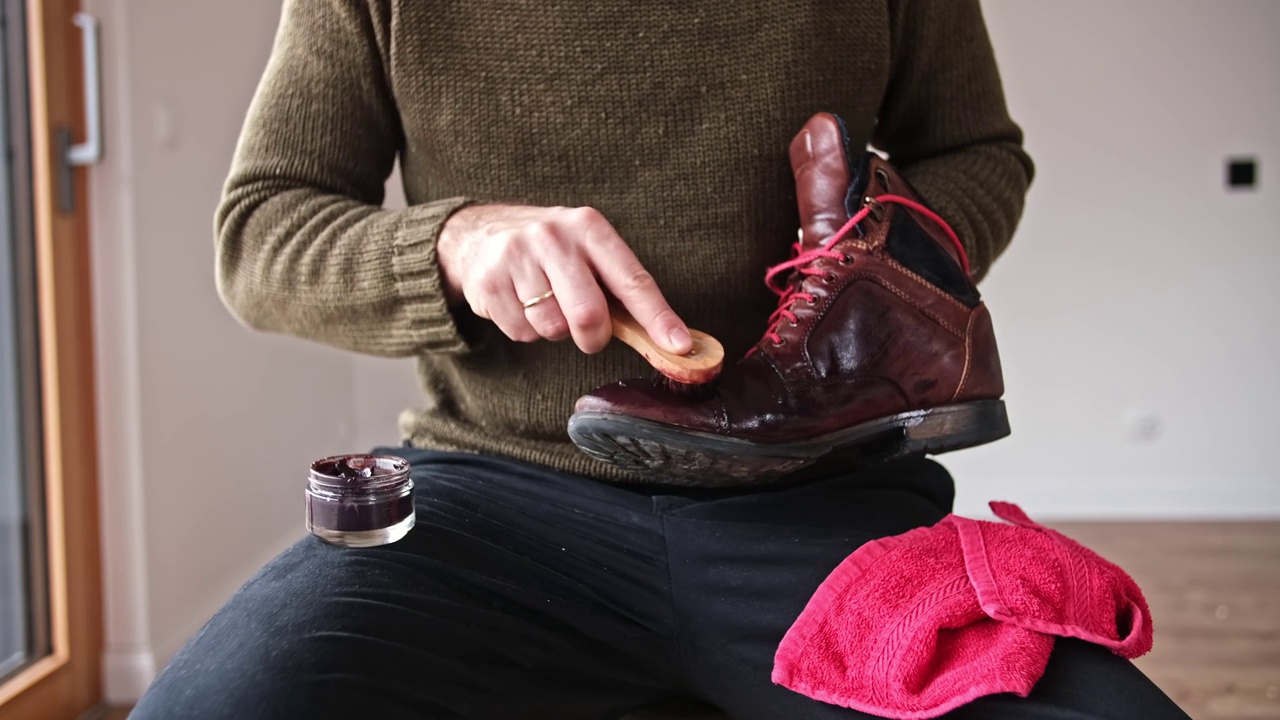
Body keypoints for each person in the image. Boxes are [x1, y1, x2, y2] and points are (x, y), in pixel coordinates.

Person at [131, 1, 1190, 718]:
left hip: (823, 507)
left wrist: (882, 254)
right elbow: (260, 235)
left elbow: (977, 156)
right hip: (479, 497)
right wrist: (451, 243)